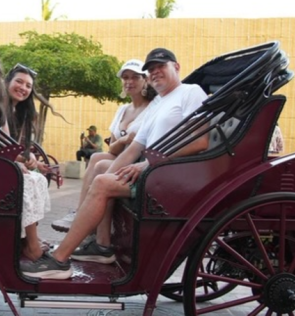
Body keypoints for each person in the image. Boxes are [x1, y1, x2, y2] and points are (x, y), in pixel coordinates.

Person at [21, 48, 208, 279]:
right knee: (102, 174)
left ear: (176, 67)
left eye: (161, 66)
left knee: (102, 184)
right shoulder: (159, 102)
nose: (155, 72)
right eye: (151, 70)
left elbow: (201, 140)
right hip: (154, 171)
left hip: (171, 176)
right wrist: (107, 177)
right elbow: (133, 149)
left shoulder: (190, 92)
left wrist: (149, 164)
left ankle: (59, 260)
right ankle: (100, 245)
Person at [53, 59, 156, 232]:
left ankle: (85, 218)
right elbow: (113, 147)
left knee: (100, 162)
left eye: (135, 77)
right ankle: (80, 212)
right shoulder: (122, 110)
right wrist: (124, 140)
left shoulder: (153, 108)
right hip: (120, 156)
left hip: (138, 159)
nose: (129, 81)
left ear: (145, 80)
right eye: (125, 77)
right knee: (96, 156)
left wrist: (126, 141)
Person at [5, 63, 52, 260]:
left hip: (6, 161)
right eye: (19, 82)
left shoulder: (21, 112)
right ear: (7, 82)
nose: (23, 88)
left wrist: (30, 159)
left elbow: (18, 146)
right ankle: (32, 246)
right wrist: (21, 160)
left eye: (28, 86)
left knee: (38, 178)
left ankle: (28, 239)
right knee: (27, 180)